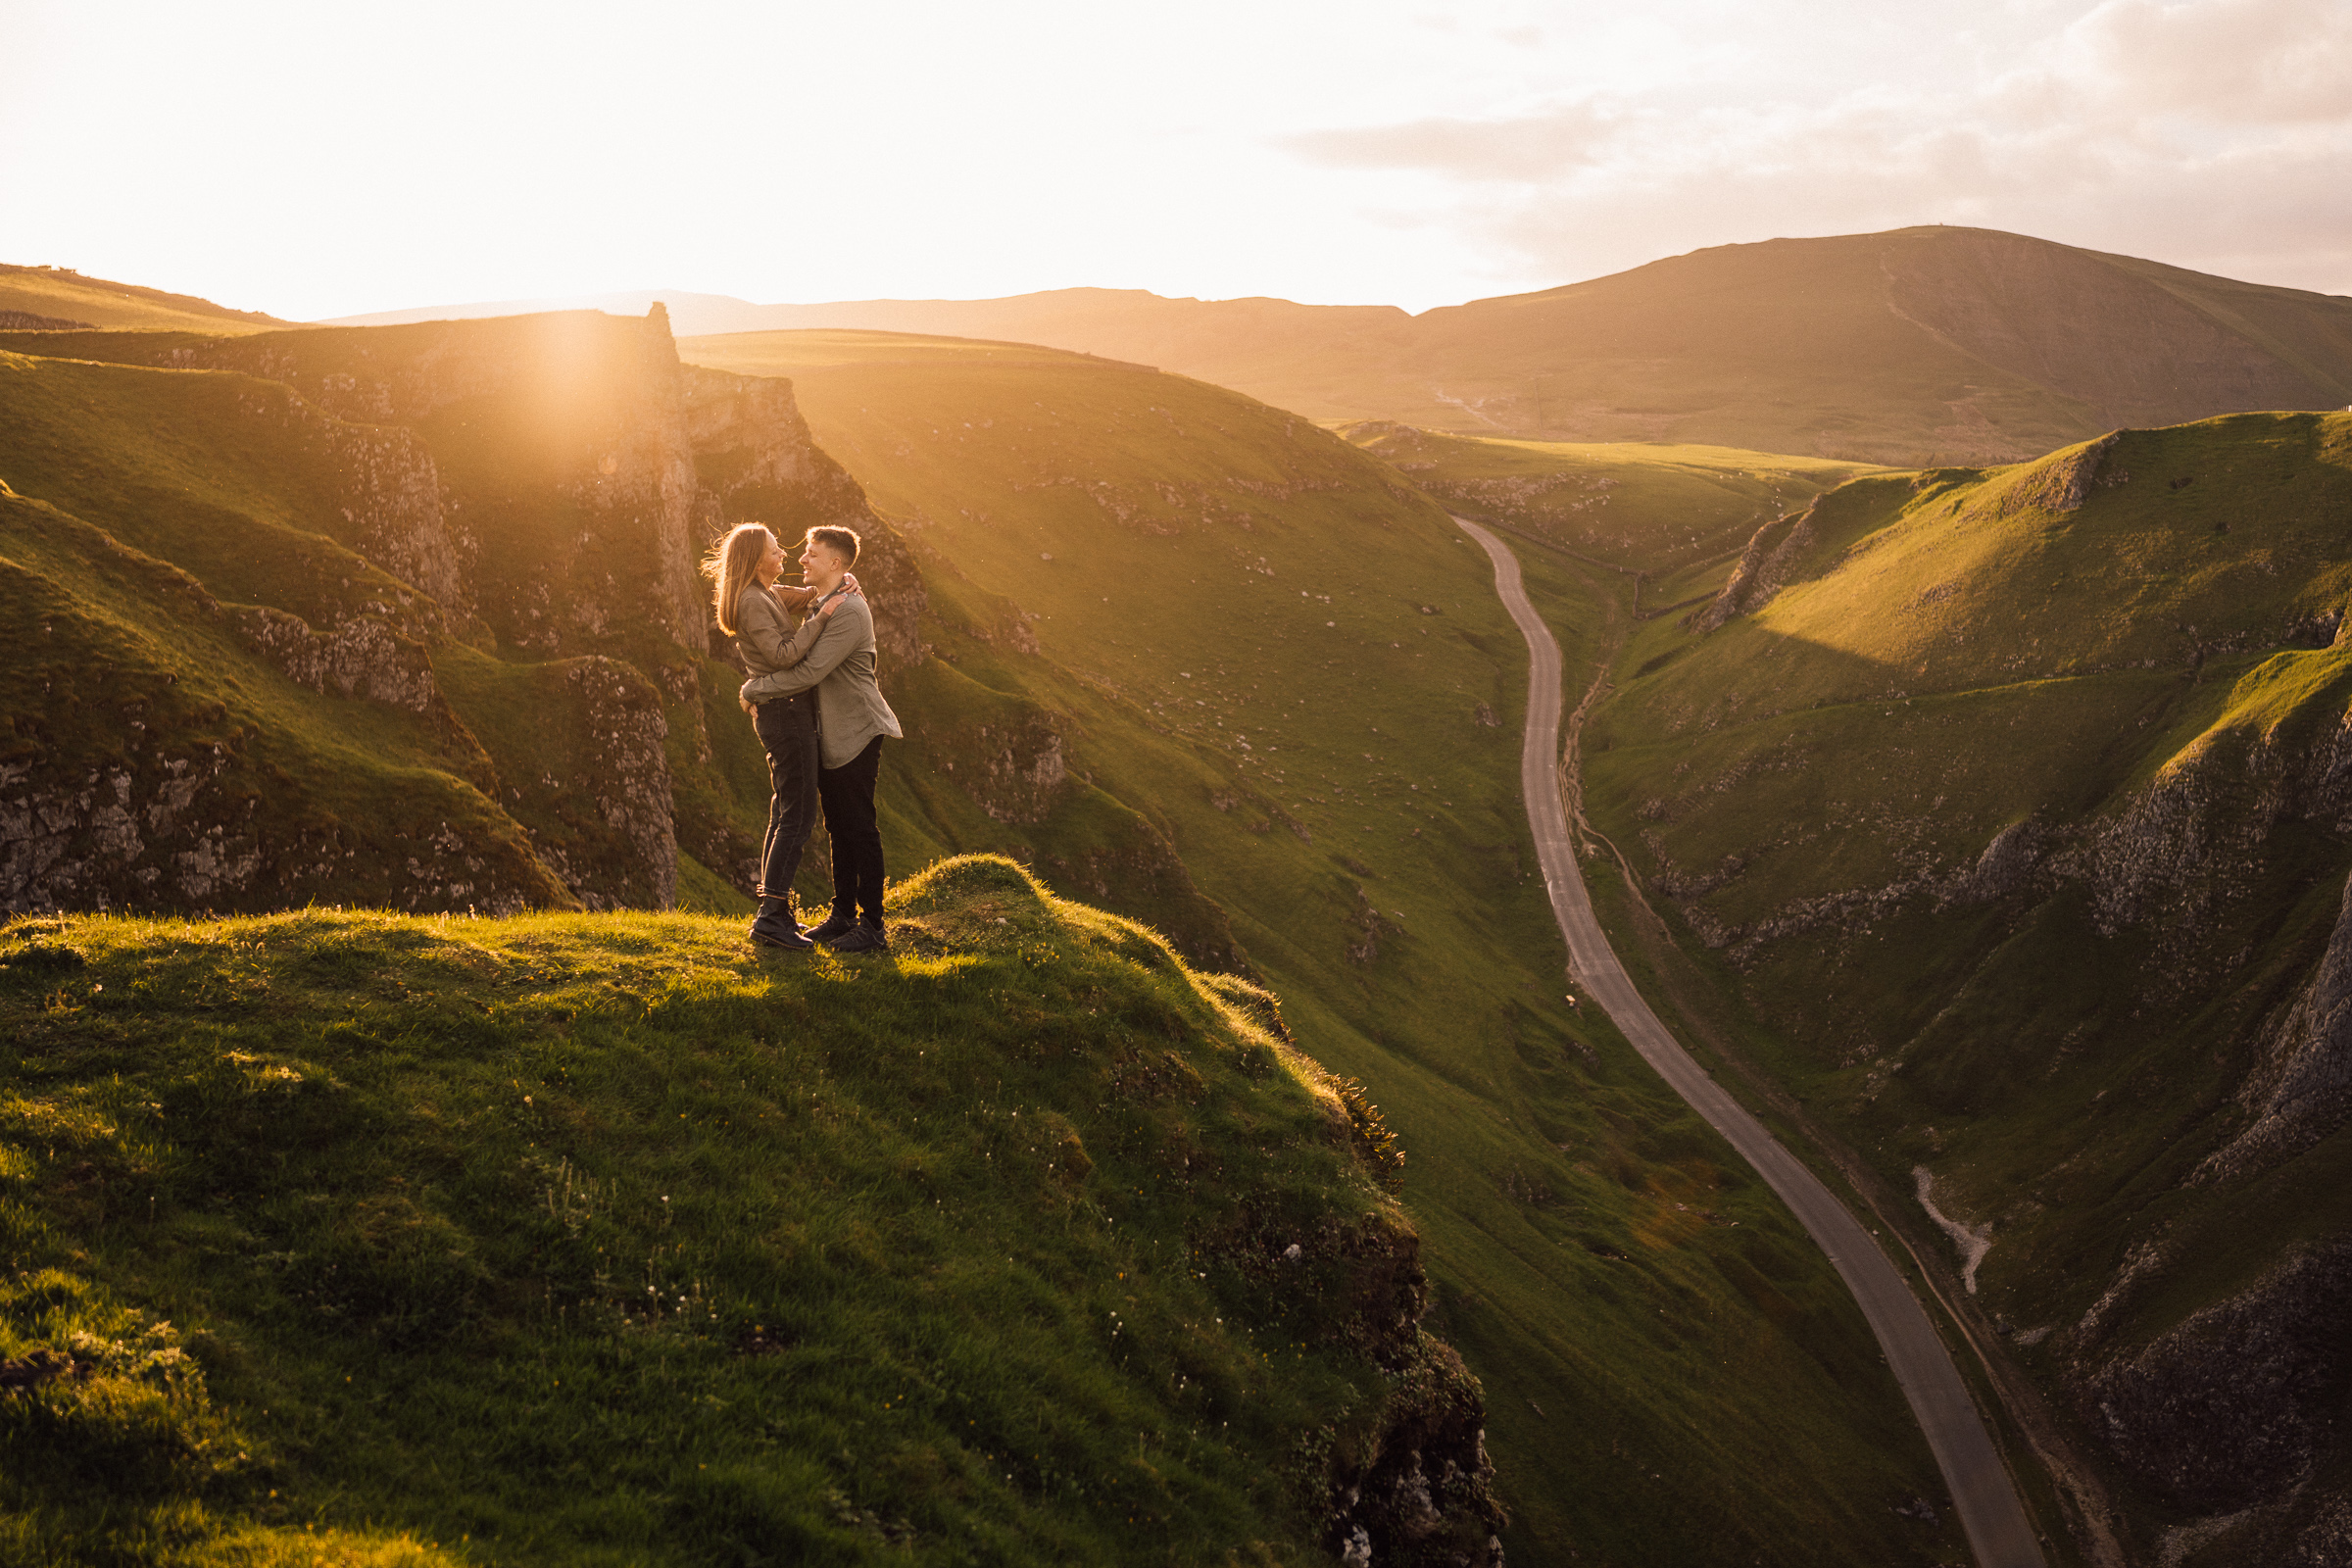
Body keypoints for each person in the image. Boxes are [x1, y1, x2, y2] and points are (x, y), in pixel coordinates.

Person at [739, 525, 902, 952]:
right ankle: (844, 914)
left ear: (835, 562)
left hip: (858, 729)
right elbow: (785, 598)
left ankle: (873, 926)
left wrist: (752, 689)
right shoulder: (828, 601)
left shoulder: (848, 611)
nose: (801, 559)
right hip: (833, 733)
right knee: (839, 826)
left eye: (811, 554)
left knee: (860, 827)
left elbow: (810, 672)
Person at [699, 522, 860, 950]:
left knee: (786, 809)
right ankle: (771, 916)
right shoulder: (753, 601)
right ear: (755, 559)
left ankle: (775, 909)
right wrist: (825, 617)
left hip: (783, 713)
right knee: (799, 813)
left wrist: (839, 585)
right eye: (776, 551)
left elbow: (805, 595)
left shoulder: (765, 593)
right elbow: (783, 656)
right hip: (784, 715)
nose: (784, 556)